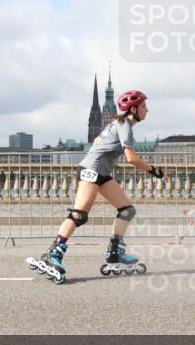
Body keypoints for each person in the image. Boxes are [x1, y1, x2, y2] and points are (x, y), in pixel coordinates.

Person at [37, 90, 166, 281]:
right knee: (79, 214)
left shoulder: (117, 123)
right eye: (144, 106)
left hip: (101, 172)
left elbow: (97, 140)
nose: (147, 109)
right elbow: (131, 158)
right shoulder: (125, 126)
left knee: (127, 210)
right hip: (92, 170)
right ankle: (53, 254)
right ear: (133, 109)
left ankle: (115, 252)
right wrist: (153, 170)